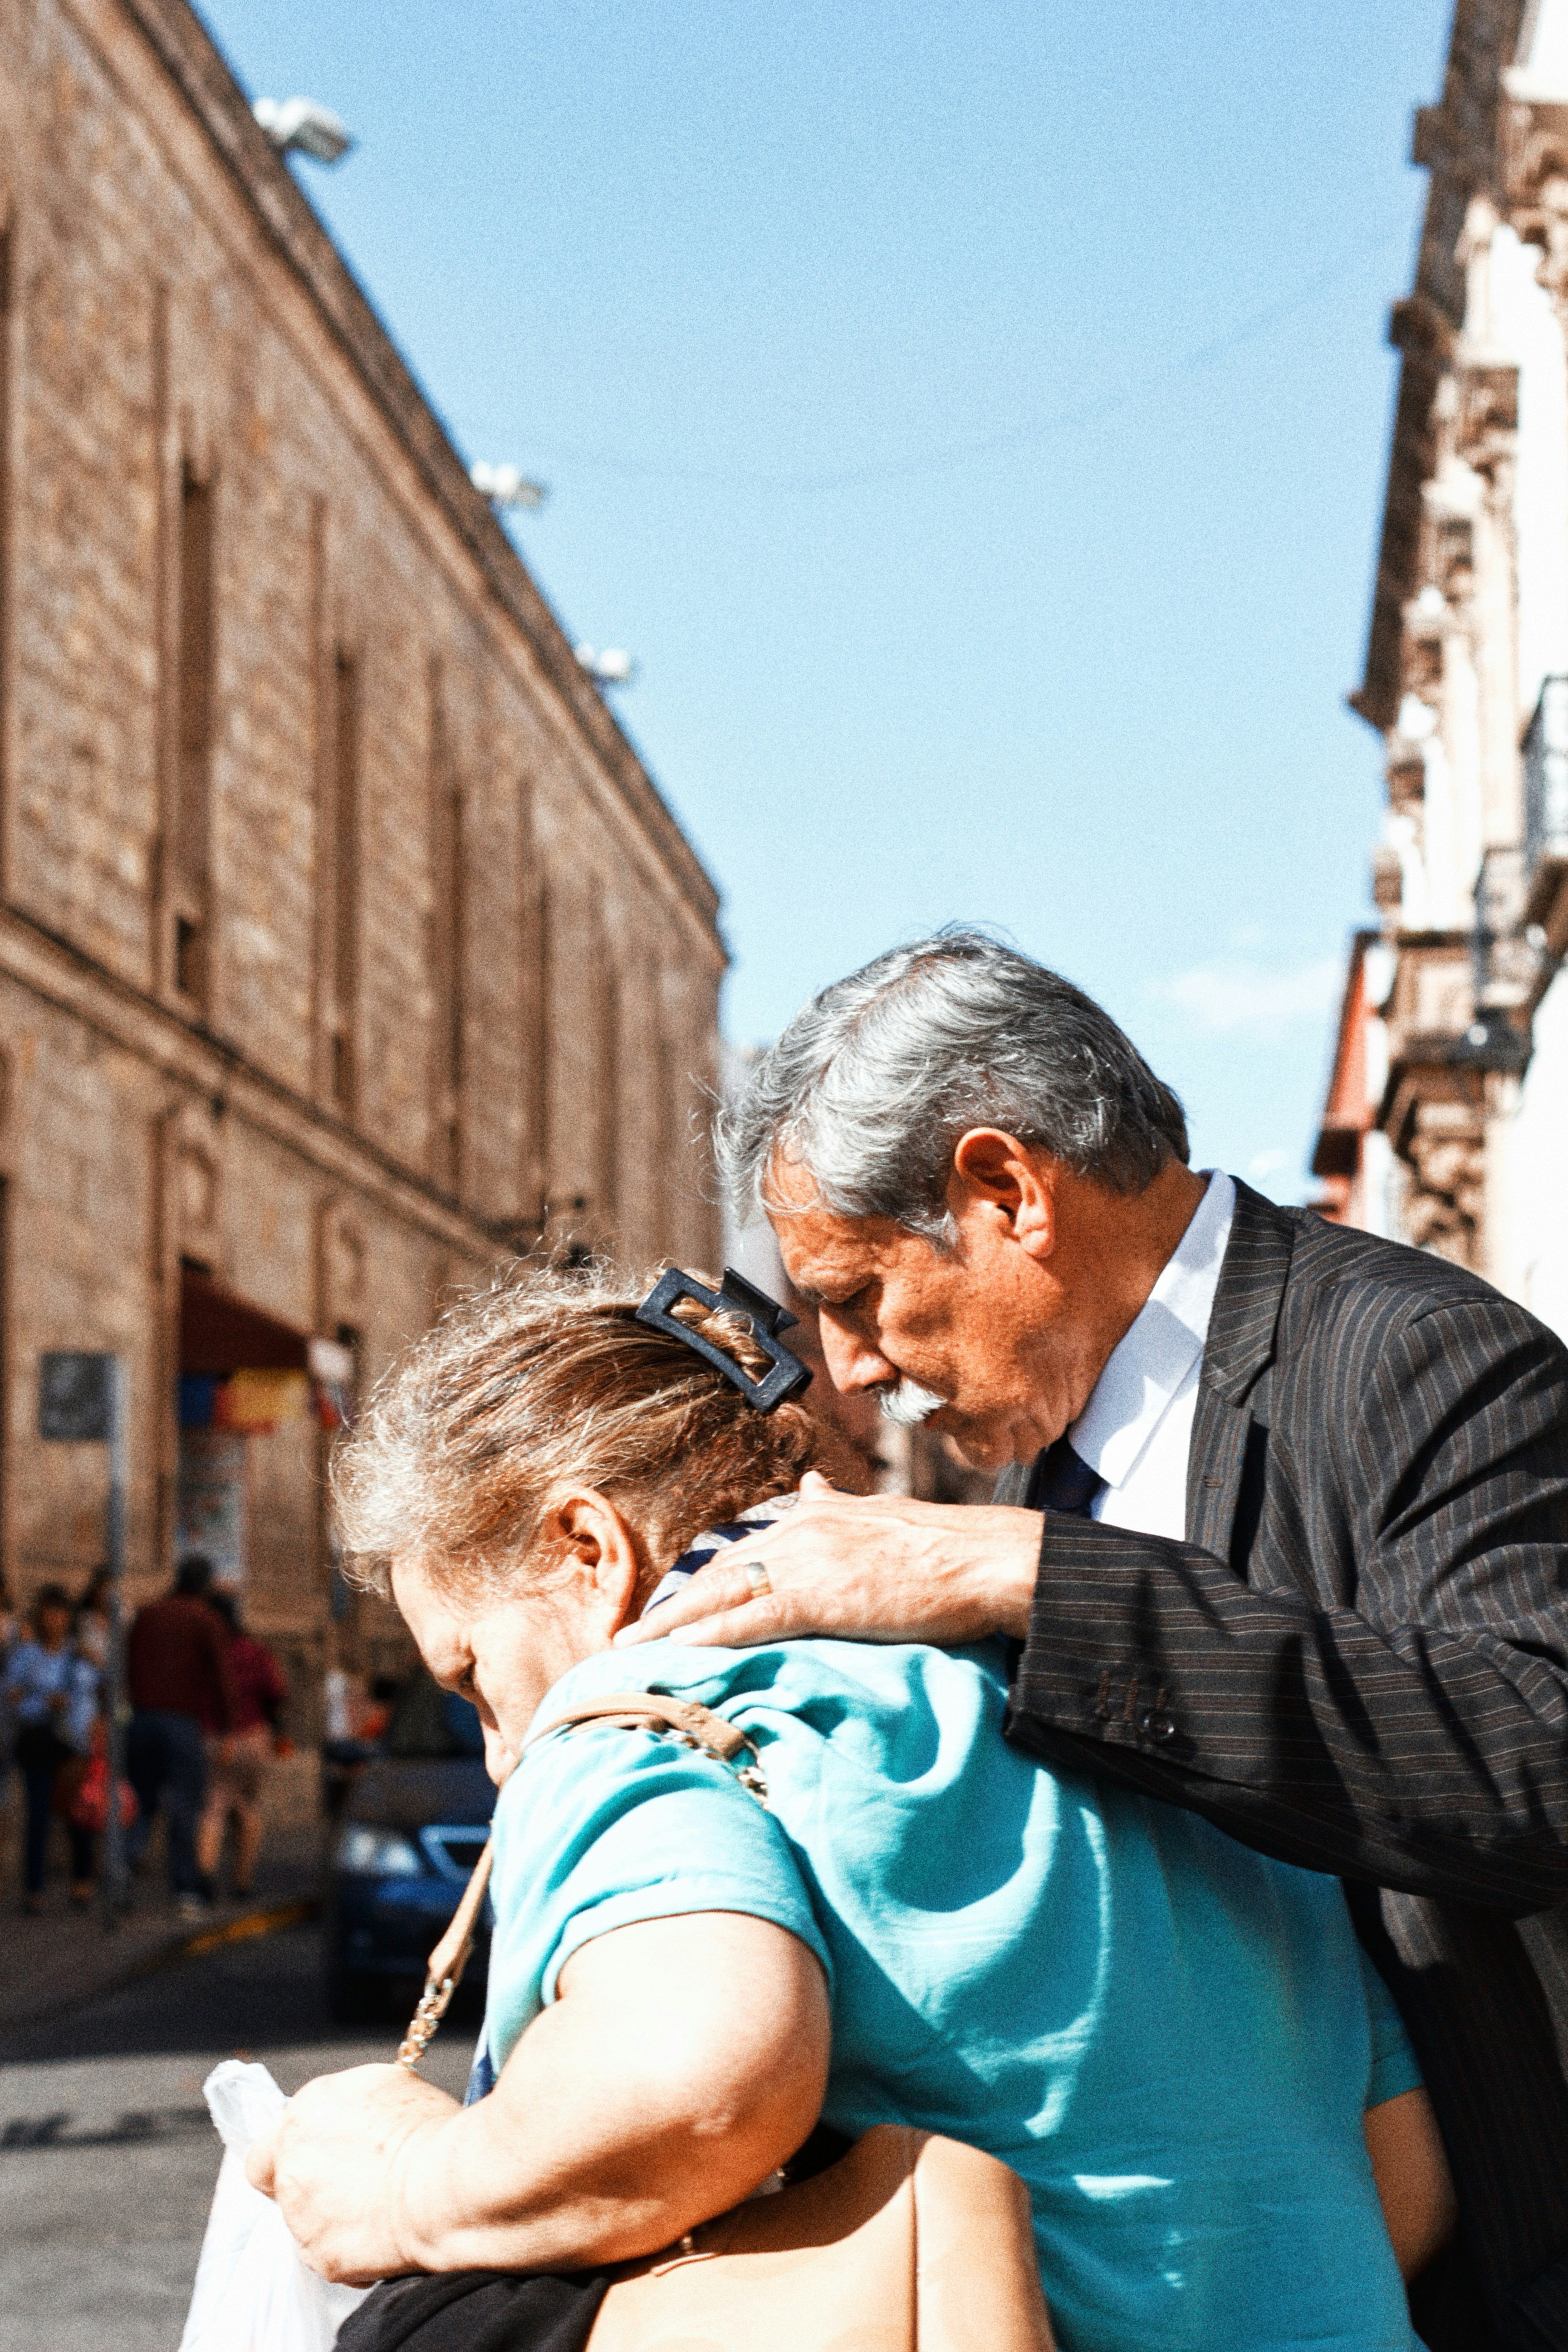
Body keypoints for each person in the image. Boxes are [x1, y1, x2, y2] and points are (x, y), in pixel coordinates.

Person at [613, 928, 1568, 2352]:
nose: (855, 1367)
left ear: (1006, 1191)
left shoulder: (1418, 1358)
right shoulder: (1039, 1452)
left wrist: (1040, 1580)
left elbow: (1533, 1755)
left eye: (860, 1296)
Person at [249, 1269, 1452, 2352]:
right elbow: (1403, 2185)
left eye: (473, 1678)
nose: (502, 1753)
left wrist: (409, 2185)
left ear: (586, 1548)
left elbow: (702, 2083)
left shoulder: (641, 1717)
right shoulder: (1118, 1696)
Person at [127, 1554, 236, 1918]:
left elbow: (128, 1664)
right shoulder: (205, 1619)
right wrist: (227, 1728)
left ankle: (123, 1880)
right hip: (181, 1723)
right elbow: (222, 1678)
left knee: (140, 1803)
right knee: (186, 1807)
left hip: (142, 1719)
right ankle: (187, 1890)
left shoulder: (148, 1614)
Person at [2, 1583, 99, 1911]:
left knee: (76, 1812)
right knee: (38, 1813)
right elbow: (12, 1698)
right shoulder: (26, 1655)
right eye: (47, 1615)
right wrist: (42, 1698)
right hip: (38, 1740)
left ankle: (82, 1880)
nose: (53, 1622)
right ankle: (34, 1888)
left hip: (72, 1743)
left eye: (59, 1615)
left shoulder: (79, 1656)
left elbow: (94, 1694)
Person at [195, 1591, 287, 1900]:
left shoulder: (204, 1654)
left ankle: (206, 1877)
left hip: (214, 1739)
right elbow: (276, 1691)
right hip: (253, 1738)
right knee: (248, 1808)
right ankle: (243, 1882)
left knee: (213, 1808)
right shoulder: (255, 1650)